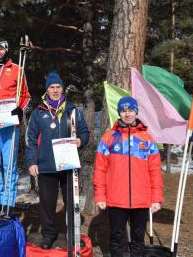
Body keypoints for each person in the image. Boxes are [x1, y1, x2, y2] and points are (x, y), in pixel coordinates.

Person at [26, 71, 89, 249]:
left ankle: (73, 234)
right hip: (46, 165)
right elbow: (30, 139)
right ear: (47, 90)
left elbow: (84, 132)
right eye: (52, 87)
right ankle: (48, 234)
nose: (55, 90)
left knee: (71, 202)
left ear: (63, 89)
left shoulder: (72, 110)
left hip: (68, 164)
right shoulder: (39, 112)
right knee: (47, 203)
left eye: (58, 87)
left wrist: (80, 140)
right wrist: (32, 162)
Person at [94, 96, 164, 256]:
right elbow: (99, 169)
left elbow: (155, 171)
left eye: (130, 110)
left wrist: (156, 198)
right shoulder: (108, 138)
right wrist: (100, 196)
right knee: (117, 237)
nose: (127, 114)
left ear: (136, 112)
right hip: (116, 198)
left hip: (141, 199)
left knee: (138, 239)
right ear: (119, 113)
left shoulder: (147, 139)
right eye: (124, 111)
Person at [0, 37, 31, 216]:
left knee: (10, 166)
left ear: (6, 50)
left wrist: (20, 109)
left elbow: (26, 97)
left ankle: (9, 203)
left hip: (10, 125)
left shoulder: (17, 69)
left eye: (1, 49)